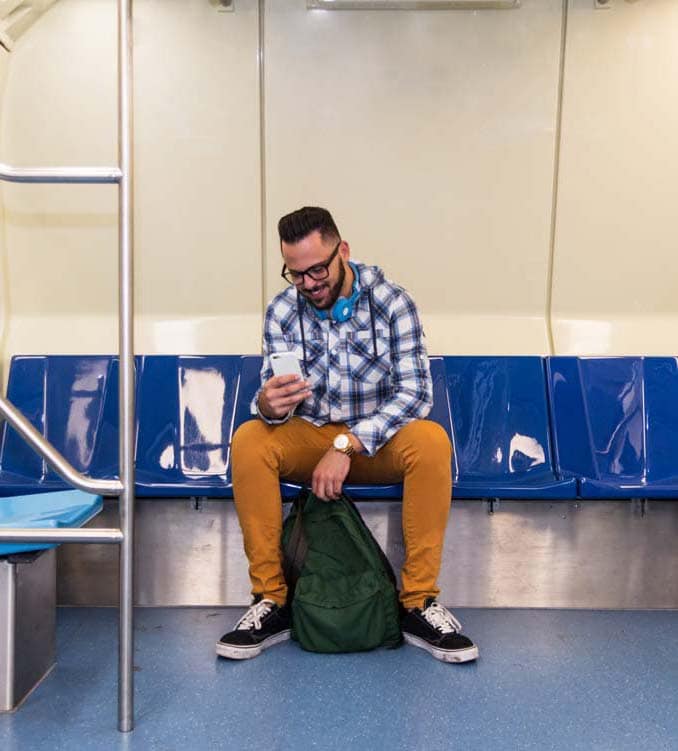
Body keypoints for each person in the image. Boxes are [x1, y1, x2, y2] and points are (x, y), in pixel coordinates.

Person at [216, 207, 478, 664]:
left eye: (318, 269)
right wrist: (268, 405)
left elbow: (416, 395)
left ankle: (418, 602)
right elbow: (274, 406)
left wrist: (347, 444)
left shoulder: (393, 303)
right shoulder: (282, 311)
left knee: (432, 442)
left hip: (372, 443)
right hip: (311, 437)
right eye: (296, 274)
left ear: (344, 252)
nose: (310, 284)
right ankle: (271, 601)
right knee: (250, 440)